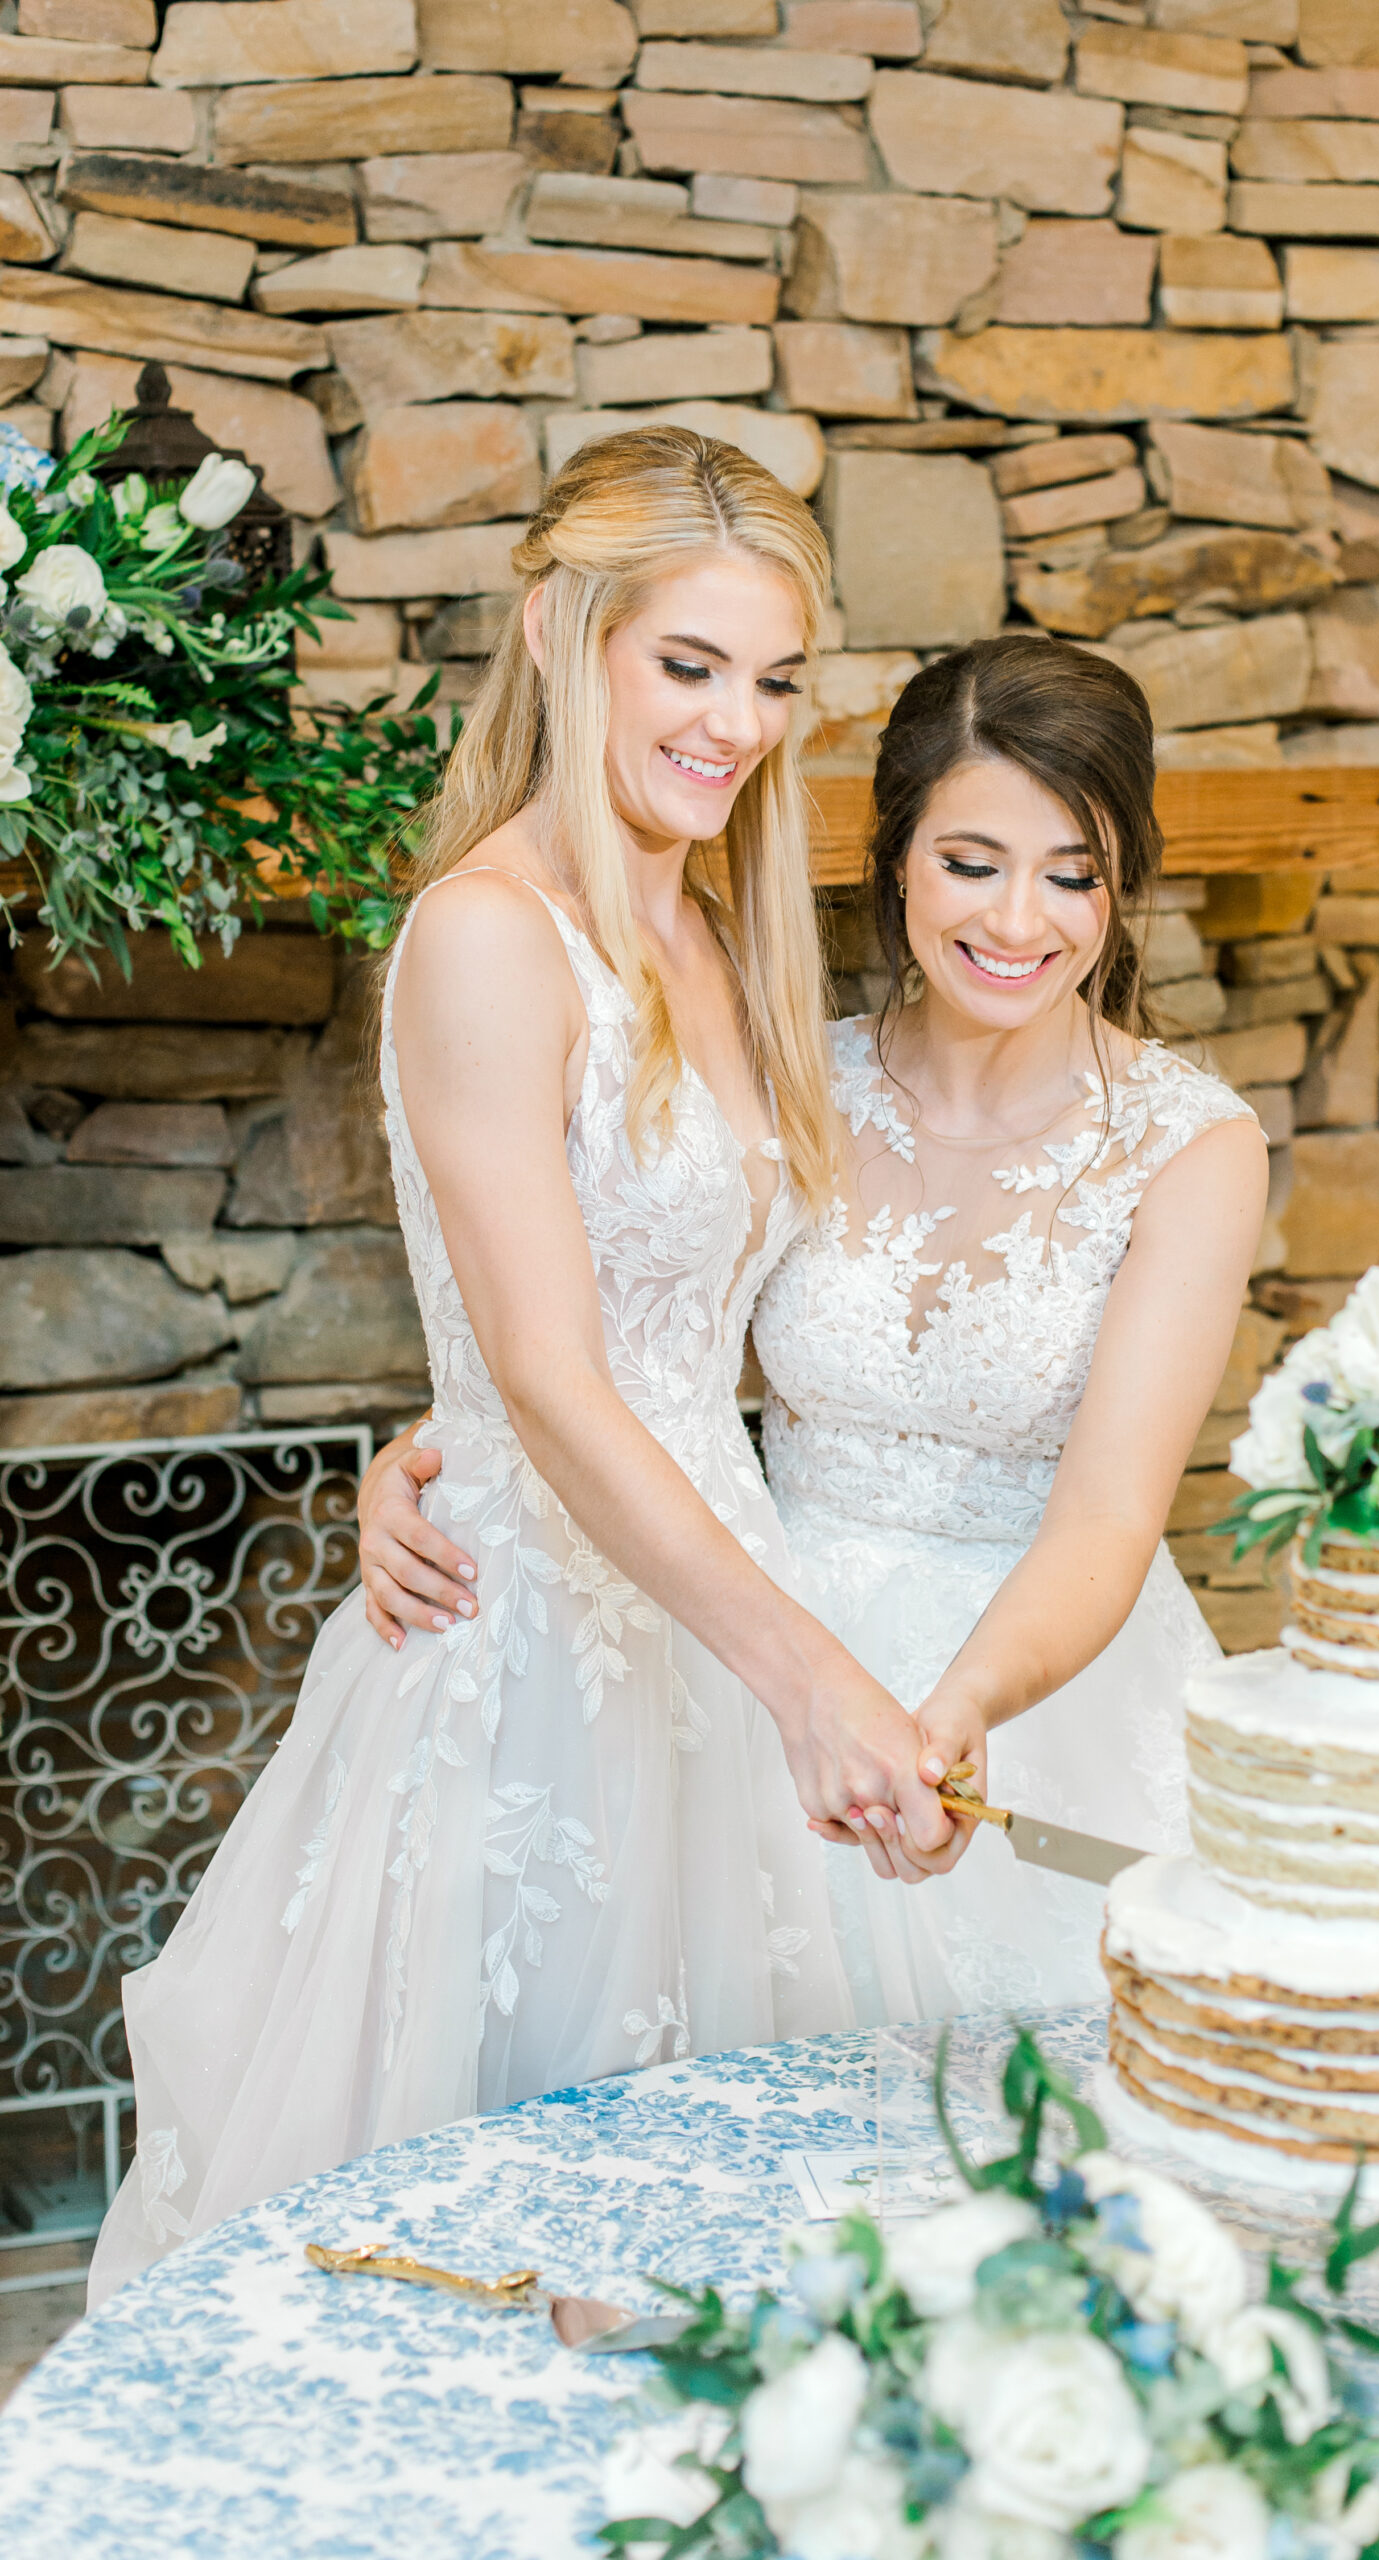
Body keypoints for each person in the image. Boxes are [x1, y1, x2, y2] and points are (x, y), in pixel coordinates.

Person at [88, 427, 957, 2307]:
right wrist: (810, 1676)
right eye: (692, 665)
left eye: (774, 680)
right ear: (569, 634)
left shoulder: (715, 929)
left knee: (731, 2230)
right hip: (538, 1653)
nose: (736, 725)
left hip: (705, 1610)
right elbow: (550, 1378)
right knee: (510, 2226)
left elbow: (658, 1324)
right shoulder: (490, 937)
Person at [359, 633, 1269, 2027]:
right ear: (896, 857)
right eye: (971, 864)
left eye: (1072, 875)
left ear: (1122, 883)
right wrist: (440, 1450)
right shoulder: (790, 1074)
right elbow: (638, 1334)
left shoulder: (1191, 1147)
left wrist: (953, 1715)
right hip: (736, 1666)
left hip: (1038, 1689)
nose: (1018, 923)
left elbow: (1105, 1523)